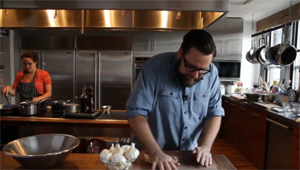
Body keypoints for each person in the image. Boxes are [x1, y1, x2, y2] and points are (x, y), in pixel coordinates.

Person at [126, 29, 224, 170]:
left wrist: (206, 147)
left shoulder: (212, 73)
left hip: (188, 157)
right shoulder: (154, 68)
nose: (196, 75)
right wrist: (154, 152)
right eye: (191, 67)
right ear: (180, 54)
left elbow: (214, 113)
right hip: (149, 157)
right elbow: (136, 113)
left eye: (203, 69)